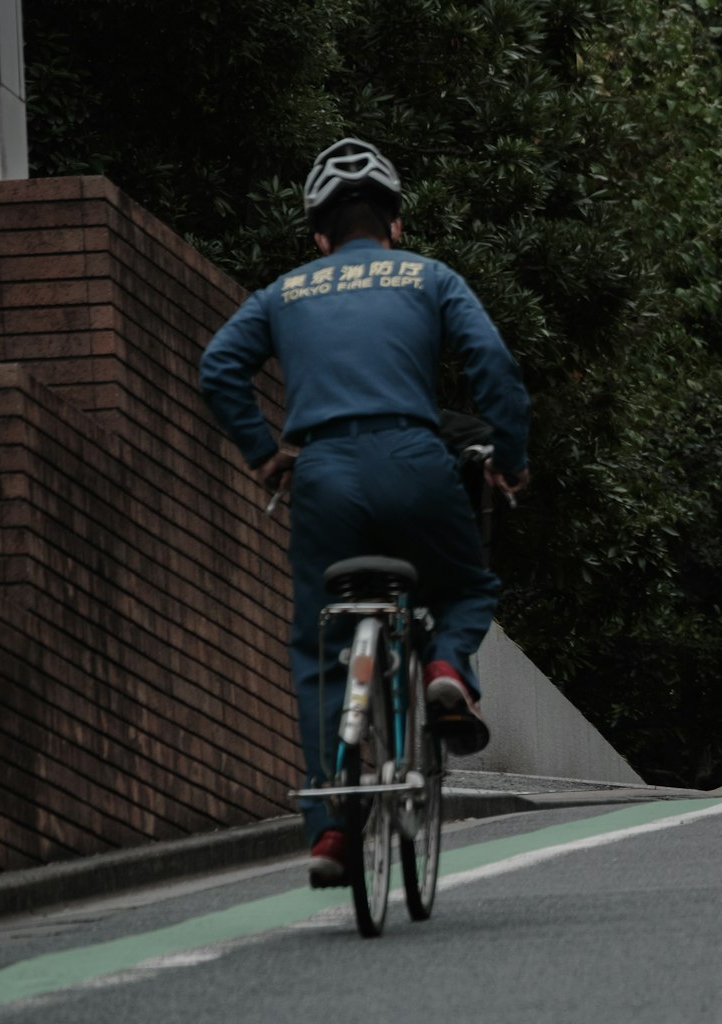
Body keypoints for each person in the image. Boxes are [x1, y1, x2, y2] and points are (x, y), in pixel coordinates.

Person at [199, 138, 531, 885]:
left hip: (325, 478)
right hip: (416, 464)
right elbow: (495, 367)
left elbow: (218, 366)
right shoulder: (429, 278)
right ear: (396, 225)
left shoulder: (284, 293)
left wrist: (263, 452)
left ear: (319, 236)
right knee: (466, 586)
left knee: (323, 644)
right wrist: (510, 457)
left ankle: (332, 829)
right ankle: (447, 665)